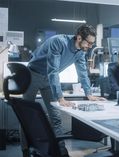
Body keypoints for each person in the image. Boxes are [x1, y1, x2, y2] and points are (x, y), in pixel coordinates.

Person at [22, 24, 106, 157]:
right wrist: (60, 97)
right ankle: (25, 150)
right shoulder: (58, 42)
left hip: (48, 80)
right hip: (32, 75)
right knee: (27, 115)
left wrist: (89, 94)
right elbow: (53, 71)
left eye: (92, 43)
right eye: (89, 43)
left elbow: (82, 72)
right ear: (79, 38)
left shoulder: (80, 52)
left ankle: (59, 151)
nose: (90, 46)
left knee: (56, 117)